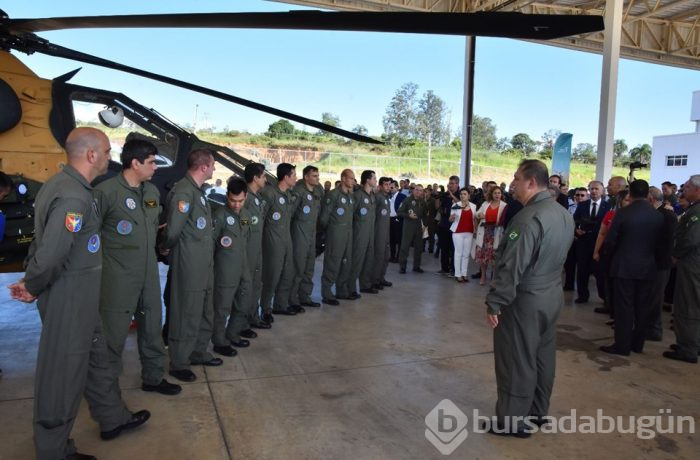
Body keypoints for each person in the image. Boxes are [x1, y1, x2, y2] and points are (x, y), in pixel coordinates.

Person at [9, 127, 149, 460]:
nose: (109, 158)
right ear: (90, 155)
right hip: (69, 299)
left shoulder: (63, 185)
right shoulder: (74, 196)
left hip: (83, 298)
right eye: (106, 151)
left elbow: (43, 241)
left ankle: (112, 418)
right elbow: (54, 250)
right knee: (62, 376)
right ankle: (53, 449)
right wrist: (32, 285)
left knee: (97, 360)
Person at [485, 159, 574, 437]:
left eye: (516, 179)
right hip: (551, 294)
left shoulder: (526, 219)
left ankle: (512, 421)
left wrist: (496, 301)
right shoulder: (562, 214)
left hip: (525, 299)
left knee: (516, 357)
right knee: (542, 356)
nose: (512, 185)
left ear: (531, 182)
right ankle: (537, 412)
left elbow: (512, 266)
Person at [94, 139, 180, 396]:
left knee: (153, 326)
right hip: (118, 277)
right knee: (113, 335)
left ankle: (153, 377)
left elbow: (151, 229)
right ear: (135, 163)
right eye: (152, 162)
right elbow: (89, 236)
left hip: (148, 273)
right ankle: (104, 393)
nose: (155, 167)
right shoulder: (105, 193)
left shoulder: (151, 192)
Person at [160, 149, 221, 383]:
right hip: (189, 264)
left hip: (202, 263)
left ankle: (197, 351)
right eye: (213, 165)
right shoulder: (184, 192)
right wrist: (165, 247)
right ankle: (179, 362)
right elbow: (173, 230)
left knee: (204, 308)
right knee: (186, 312)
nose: (214, 169)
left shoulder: (197, 192)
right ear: (204, 167)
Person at [598, 180, 663, 356]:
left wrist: (609, 258)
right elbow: (661, 244)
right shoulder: (657, 215)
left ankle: (622, 345)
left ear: (630, 194)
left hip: (624, 266)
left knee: (624, 307)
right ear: (647, 195)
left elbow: (610, 240)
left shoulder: (623, 213)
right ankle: (637, 344)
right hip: (648, 267)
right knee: (642, 307)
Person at [211, 177, 252, 357]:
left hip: (243, 267)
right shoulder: (219, 216)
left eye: (240, 201)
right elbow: (210, 246)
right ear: (227, 196)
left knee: (243, 302)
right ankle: (219, 341)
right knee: (222, 308)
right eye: (233, 201)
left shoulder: (246, 216)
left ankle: (233, 334)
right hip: (224, 271)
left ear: (246, 197)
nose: (236, 205)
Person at [664, 175, 700, 363]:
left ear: (697, 190)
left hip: (692, 263)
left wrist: (676, 254)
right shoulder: (694, 208)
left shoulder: (697, 212)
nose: (682, 191)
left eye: (686, 188)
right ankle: (692, 342)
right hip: (692, 262)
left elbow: (691, 239)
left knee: (688, 305)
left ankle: (688, 348)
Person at [260, 163, 298, 317]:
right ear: (286, 177)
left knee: (287, 272)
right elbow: (260, 218)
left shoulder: (289, 195)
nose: (296, 178)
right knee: (272, 275)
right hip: (272, 240)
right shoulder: (269, 194)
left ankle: (280, 305)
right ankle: (265, 308)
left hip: (286, 239)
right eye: (294, 175)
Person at [288, 165, 324, 309]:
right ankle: (292, 298)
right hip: (299, 235)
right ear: (306, 177)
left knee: (309, 267)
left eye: (317, 175)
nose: (317, 178)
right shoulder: (298, 192)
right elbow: (290, 214)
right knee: (298, 267)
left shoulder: (316, 192)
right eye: (314, 176)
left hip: (311, 235)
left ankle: (304, 296)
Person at [646, 186, 678, 342]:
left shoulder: (665, 215)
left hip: (660, 263)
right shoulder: (661, 214)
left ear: (650, 199)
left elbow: (663, 242)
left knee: (655, 298)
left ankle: (654, 329)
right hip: (656, 262)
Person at [242, 163, 272, 329]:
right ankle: (241, 323)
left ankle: (252, 317)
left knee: (255, 283)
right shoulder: (245, 198)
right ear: (255, 178)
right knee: (245, 286)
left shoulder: (257, 198)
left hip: (257, 246)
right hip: (247, 249)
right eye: (263, 176)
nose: (266, 179)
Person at [320, 169, 355, 305]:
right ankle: (327, 293)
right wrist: (330, 232)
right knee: (332, 263)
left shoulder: (350, 196)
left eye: (353, 178)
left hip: (347, 234)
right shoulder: (333, 195)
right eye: (351, 178)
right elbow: (324, 218)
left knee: (346, 263)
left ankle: (342, 290)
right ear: (343, 179)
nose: (352, 181)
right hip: (336, 234)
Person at [572, 181, 610, 303]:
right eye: (592, 189)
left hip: (599, 243)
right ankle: (582, 295)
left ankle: (604, 297)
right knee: (582, 270)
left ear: (602, 191)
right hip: (583, 242)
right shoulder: (582, 205)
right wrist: (576, 231)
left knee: (600, 272)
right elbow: (574, 221)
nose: (594, 191)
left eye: (596, 189)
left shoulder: (607, 206)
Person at [350, 170, 378, 295]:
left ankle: (365, 285)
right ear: (367, 180)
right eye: (374, 178)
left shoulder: (372, 196)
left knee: (368, 260)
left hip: (370, 233)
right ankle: (350, 287)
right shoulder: (358, 195)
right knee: (356, 261)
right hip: (359, 234)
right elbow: (351, 215)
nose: (376, 180)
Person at [474, 186, 507, 285]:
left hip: (496, 233)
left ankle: (494, 278)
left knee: (494, 257)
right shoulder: (486, 204)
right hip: (485, 232)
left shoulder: (504, 205)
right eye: (495, 193)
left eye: (499, 193)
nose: (497, 195)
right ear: (491, 194)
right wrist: (480, 215)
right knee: (483, 257)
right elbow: (476, 214)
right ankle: (483, 276)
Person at [449, 187, 476, 282]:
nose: (462, 196)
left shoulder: (473, 206)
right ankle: (458, 274)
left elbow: (475, 219)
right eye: (461, 194)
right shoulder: (455, 205)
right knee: (458, 253)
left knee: (466, 254)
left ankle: (464, 274)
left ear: (469, 195)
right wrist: (452, 218)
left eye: (464, 194)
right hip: (457, 232)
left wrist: (475, 231)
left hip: (469, 232)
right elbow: (450, 219)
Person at [397, 184, 427, 274]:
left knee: (419, 247)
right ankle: (402, 267)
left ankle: (416, 266)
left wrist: (425, 225)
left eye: (420, 190)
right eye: (417, 190)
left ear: (422, 192)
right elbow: (399, 212)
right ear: (414, 190)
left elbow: (425, 214)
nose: (418, 192)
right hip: (408, 226)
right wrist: (408, 215)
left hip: (418, 227)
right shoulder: (407, 200)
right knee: (404, 247)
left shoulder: (422, 201)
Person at [371, 177, 393, 291]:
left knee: (386, 256)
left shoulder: (386, 198)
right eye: (385, 184)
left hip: (386, 232)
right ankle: (374, 280)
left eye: (389, 184)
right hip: (378, 231)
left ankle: (381, 278)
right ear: (380, 186)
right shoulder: (378, 197)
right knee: (378, 257)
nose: (388, 187)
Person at [437, 176, 460, 274]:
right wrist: (438, 197)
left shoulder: (460, 194)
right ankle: (444, 268)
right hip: (444, 223)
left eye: (453, 183)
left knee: (453, 248)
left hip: (454, 225)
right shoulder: (445, 195)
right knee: (444, 247)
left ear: (457, 184)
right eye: (449, 183)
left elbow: (460, 204)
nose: (450, 185)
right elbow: (438, 207)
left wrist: (451, 195)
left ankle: (453, 269)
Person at [389, 180, 403, 262]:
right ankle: (392, 256)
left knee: (399, 239)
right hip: (390, 220)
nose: (390, 188)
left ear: (397, 188)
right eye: (389, 187)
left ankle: (398, 256)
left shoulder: (402, 196)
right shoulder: (388, 196)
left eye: (392, 187)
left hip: (398, 220)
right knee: (392, 239)